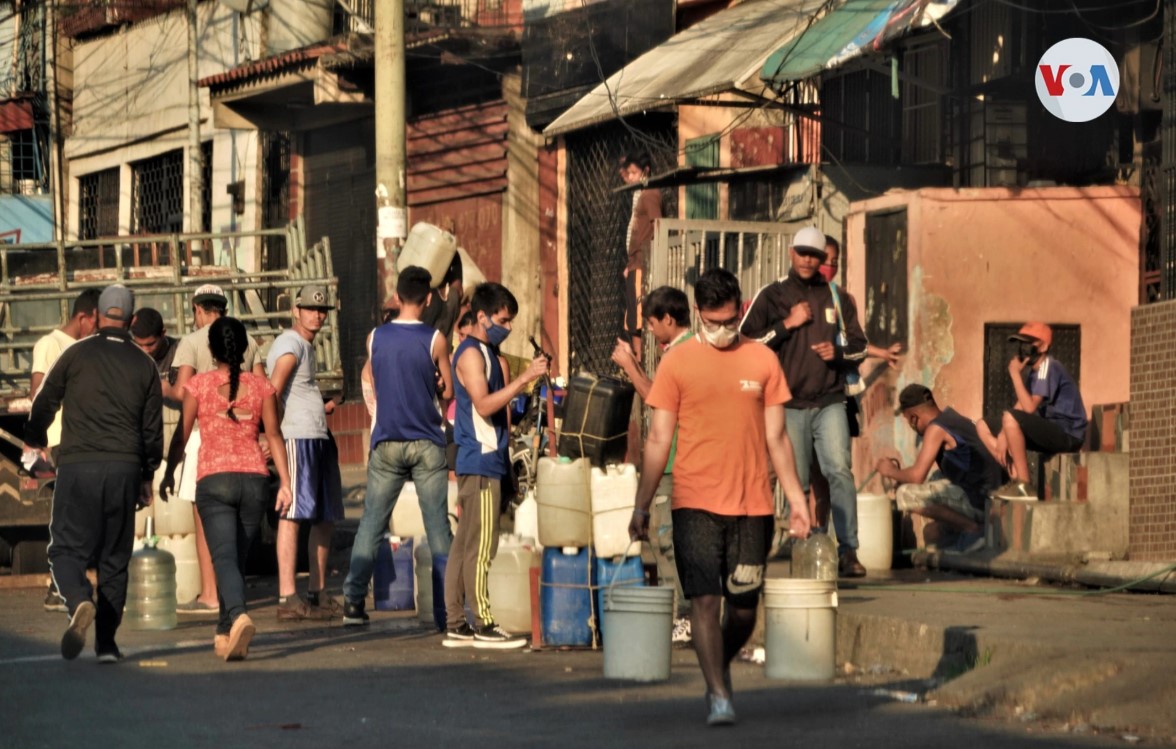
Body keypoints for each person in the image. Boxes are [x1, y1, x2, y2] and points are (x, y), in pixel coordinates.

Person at [630, 268, 811, 726]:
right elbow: (657, 440)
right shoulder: (676, 362)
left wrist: (799, 502)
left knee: (745, 609)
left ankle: (718, 663)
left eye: (730, 321)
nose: (721, 331)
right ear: (697, 314)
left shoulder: (762, 361)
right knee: (705, 602)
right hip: (693, 502)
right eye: (712, 323)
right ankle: (718, 695)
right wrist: (641, 504)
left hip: (753, 505)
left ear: (742, 309)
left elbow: (779, 439)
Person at [25, 285, 162, 663]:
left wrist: (35, 439)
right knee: (114, 558)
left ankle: (79, 599)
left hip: (77, 466)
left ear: (98, 316)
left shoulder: (75, 354)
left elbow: (44, 402)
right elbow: (152, 432)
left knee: (66, 548)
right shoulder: (145, 365)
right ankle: (107, 645)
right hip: (124, 468)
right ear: (132, 321)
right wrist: (147, 474)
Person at [161, 317, 292, 661]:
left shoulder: (199, 386)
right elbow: (274, 435)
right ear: (245, 349)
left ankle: (239, 616)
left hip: (214, 481)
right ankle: (224, 632)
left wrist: (169, 473)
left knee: (223, 558)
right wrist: (287, 483)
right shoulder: (262, 388)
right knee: (234, 559)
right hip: (254, 480)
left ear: (211, 349)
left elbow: (182, 435)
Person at [740, 226, 868, 578]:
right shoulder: (773, 295)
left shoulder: (837, 297)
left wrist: (838, 353)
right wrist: (787, 324)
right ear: (791, 253)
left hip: (830, 401)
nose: (809, 260)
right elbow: (746, 344)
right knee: (797, 482)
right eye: (803, 253)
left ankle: (848, 551)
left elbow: (861, 347)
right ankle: (804, 549)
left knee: (839, 472)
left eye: (816, 255)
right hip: (788, 404)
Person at [343, 267, 455, 626]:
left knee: (372, 524)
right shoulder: (436, 339)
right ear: (426, 299)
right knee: (438, 527)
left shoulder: (374, 338)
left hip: (387, 441)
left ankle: (353, 603)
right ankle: (446, 611)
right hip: (426, 442)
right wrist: (433, 384)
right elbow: (448, 392)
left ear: (397, 296)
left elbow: (376, 382)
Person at [444, 282, 547, 649]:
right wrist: (525, 378)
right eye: (504, 320)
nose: (509, 326)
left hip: (485, 460)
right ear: (482, 316)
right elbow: (485, 405)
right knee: (481, 546)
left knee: (465, 544)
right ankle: (482, 622)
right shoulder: (471, 354)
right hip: (481, 461)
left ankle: (456, 622)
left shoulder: (486, 352)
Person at [169, 284, 265, 614]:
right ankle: (230, 603)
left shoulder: (192, 342)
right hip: (247, 442)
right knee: (237, 535)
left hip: (204, 438)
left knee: (205, 521)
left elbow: (183, 393)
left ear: (197, 308)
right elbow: (262, 388)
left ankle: (210, 593)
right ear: (223, 308)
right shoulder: (248, 340)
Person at [611, 285, 694, 643]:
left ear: (669, 320)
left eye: (650, 323)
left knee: (667, 543)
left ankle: (685, 615)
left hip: (674, 462)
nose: (647, 330)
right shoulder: (681, 351)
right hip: (677, 461)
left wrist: (630, 366)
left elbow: (655, 401)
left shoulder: (683, 353)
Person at [806, 235, 902, 544]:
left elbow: (851, 343)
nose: (830, 266)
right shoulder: (795, 297)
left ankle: (839, 543)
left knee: (836, 469)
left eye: (835, 261)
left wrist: (882, 353)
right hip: (806, 395)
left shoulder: (842, 299)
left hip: (840, 393)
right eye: (826, 260)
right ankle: (812, 532)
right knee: (810, 473)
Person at [266, 285, 344, 620]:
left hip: (317, 437)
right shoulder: (290, 344)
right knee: (293, 515)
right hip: (297, 439)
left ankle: (317, 591)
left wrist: (319, 405)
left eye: (322, 309)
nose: (317, 314)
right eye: (310, 308)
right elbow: (272, 392)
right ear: (296, 310)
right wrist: (268, 436)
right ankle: (287, 596)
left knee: (324, 516)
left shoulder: (306, 347)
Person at [30, 288, 100, 613]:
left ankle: (69, 584)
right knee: (70, 515)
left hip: (87, 440)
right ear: (84, 316)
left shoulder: (88, 347)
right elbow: (38, 393)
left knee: (83, 515)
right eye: (96, 321)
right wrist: (41, 441)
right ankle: (57, 588)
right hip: (62, 439)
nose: (98, 329)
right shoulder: (51, 344)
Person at [875, 385, 1005, 553]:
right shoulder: (953, 419)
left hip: (981, 502)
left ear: (914, 418)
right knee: (932, 530)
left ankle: (973, 529)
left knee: (905, 494)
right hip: (989, 499)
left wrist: (890, 471)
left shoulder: (936, 428)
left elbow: (916, 476)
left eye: (908, 421)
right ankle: (965, 536)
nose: (910, 425)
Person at [976, 322, 1088, 497]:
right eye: (1020, 343)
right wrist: (1003, 433)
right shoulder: (1034, 374)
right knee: (983, 425)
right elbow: (1019, 407)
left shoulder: (1048, 366)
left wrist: (1014, 375)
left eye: (1028, 343)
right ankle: (1014, 475)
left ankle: (1025, 485)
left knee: (1011, 419)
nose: (1023, 348)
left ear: (1043, 346)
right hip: (1051, 430)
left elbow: (1029, 408)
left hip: (1068, 434)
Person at [620, 149, 662, 353]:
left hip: (642, 263)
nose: (630, 177)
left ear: (645, 171)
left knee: (638, 319)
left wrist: (643, 261)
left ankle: (640, 363)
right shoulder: (639, 194)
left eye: (634, 173)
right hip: (634, 263)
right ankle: (637, 362)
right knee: (632, 320)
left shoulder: (650, 193)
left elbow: (657, 225)